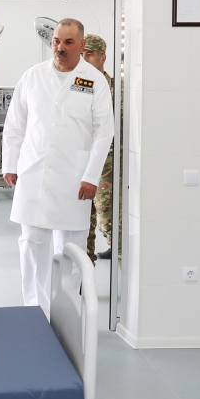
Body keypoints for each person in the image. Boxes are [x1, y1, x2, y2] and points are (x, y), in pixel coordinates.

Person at [2, 18, 113, 317]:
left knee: (70, 251)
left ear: (81, 44)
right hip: (34, 175)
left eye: (68, 42)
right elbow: (15, 124)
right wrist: (10, 164)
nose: (60, 48)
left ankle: (66, 317)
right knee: (31, 245)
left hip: (74, 179)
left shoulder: (94, 81)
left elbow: (104, 132)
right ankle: (34, 314)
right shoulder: (33, 76)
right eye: (56, 41)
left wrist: (91, 176)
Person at [82, 34, 116, 261]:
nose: (84, 60)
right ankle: (85, 264)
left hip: (108, 163)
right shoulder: (79, 85)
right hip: (81, 159)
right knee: (83, 219)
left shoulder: (114, 87)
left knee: (104, 213)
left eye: (89, 55)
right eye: (82, 55)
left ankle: (116, 247)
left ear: (102, 57)